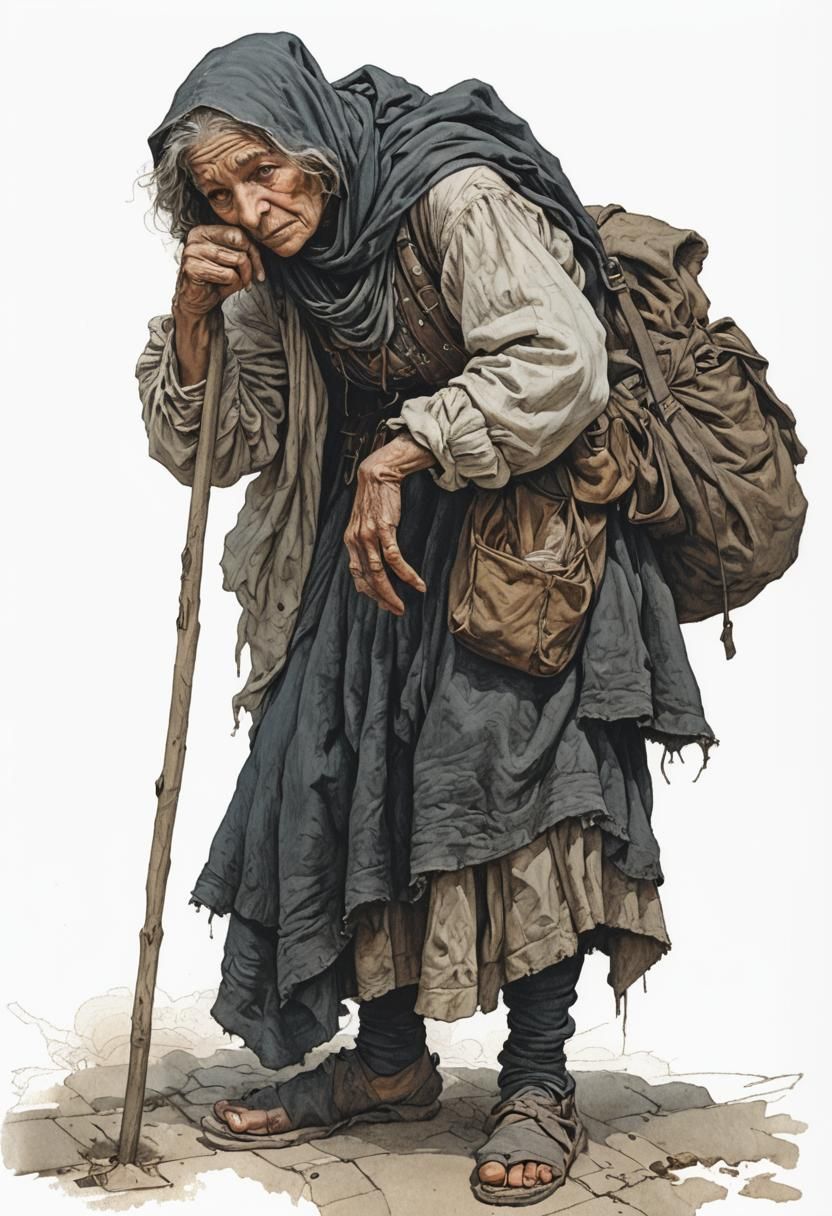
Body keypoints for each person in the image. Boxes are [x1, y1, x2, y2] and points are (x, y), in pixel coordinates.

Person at [137, 31, 714, 1206]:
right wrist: (196, 313)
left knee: (518, 788)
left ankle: (537, 1081)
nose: (254, 209)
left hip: (529, 536)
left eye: (265, 172)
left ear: (311, 141)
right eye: (222, 195)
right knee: (347, 774)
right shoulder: (277, 270)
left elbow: (558, 363)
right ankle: (391, 1063)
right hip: (370, 546)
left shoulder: (452, 193)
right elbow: (221, 444)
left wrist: (406, 447)